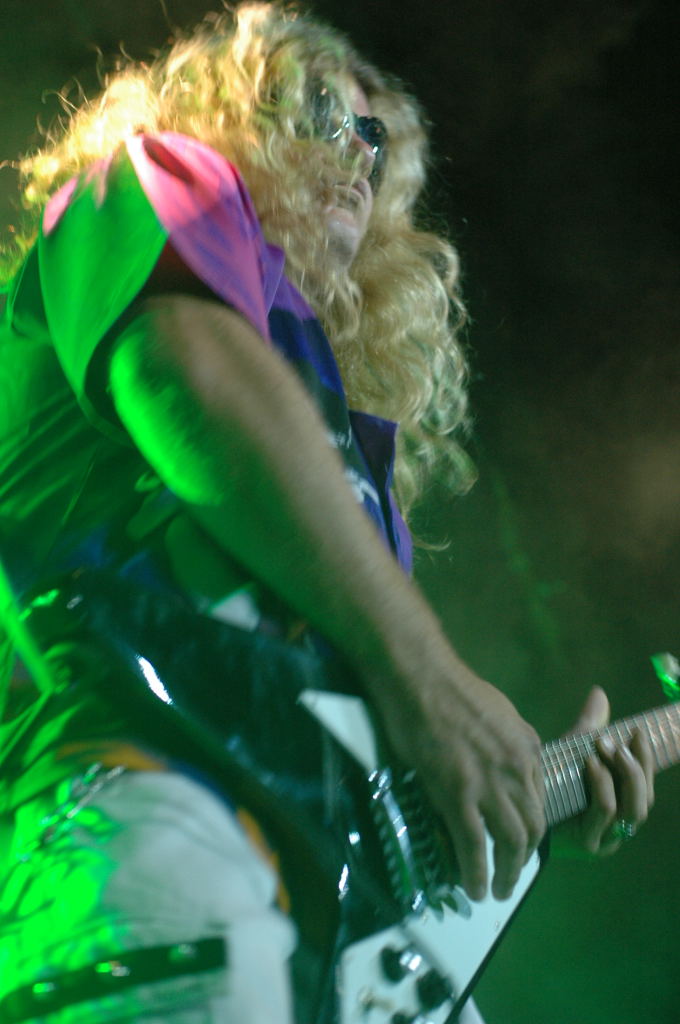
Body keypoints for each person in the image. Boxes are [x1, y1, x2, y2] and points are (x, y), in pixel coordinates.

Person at [0, 3, 655, 1022]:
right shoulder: (142, 180)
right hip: (162, 825)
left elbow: (337, 753)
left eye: (373, 137)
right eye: (316, 112)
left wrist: (513, 805)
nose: (355, 151)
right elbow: (183, 367)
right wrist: (431, 677)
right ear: (229, 118)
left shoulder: (335, 444)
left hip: (324, 924)